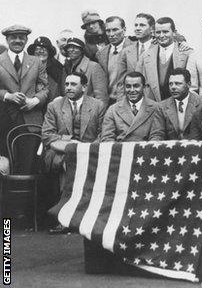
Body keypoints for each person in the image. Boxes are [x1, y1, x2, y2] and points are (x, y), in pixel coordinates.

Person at [41, 72, 106, 234]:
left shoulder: (98, 105)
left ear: (84, 87)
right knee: (68, 163)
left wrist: (86, 148)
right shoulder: (54, 106)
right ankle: (65, 218)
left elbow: (104, 134)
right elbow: (47, 135)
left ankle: (85, 217)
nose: (68, 87)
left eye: (73, 84)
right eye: (67, 84)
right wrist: (71, 144)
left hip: (90, 150)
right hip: (60, 152)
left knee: (82, 164)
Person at [0, 25, 48, 157]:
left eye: (21, 38)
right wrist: (7, 96)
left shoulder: (37, 62)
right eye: (13, 37)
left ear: (26, 40)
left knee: (28, 162)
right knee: (4, 162)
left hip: (31, 118)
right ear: (7, 40)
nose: (17, 40)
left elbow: (45, 88)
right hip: (3, 117)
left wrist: (35, 100)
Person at [136, 17, 192, 102]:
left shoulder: (186, 53)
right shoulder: (145, 56)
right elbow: (138, 83)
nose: (161, 36)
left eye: (165, 32)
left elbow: (192, 86)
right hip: (153, 107)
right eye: (158, 32)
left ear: (174, 33)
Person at [100, 71, 162, 142]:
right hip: (120, 150)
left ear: (144, 87)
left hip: (145, 150)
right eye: (128, 86)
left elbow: (157, 135)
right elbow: (107, 137)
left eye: (136, 86)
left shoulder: (156, 108)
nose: (132, 90)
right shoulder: (113, 110)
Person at [152, 68, 202, 140]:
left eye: (178, 84)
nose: (173, 87)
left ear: (188, 84)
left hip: (195, 148)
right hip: (170, 149)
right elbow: (157, 133)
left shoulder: (201, 104)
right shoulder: (161, 107)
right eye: (171, 84)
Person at [95, 16, 135, 104]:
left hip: (129, 101)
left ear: (124, 30)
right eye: (108, 31)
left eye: (115, 30)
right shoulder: (101, 54)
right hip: (108, 102)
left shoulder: (135, 48)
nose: (111, 34)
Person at [61, 38, 108, 105]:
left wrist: (97, 113)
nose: (71, 50)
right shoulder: (66, 68)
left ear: (82, 50)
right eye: (69, 48)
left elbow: (101, 96)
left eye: (75, 47)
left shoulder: (94, 67)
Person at [26, 36, 64, 108]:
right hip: (32, 108)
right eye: (37, 49)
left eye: (44, 49)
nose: (41, 51)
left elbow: (64, 91)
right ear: (33, 52)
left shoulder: (59, 69)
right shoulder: (26, 68)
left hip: (54, 107)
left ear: (49, 52)